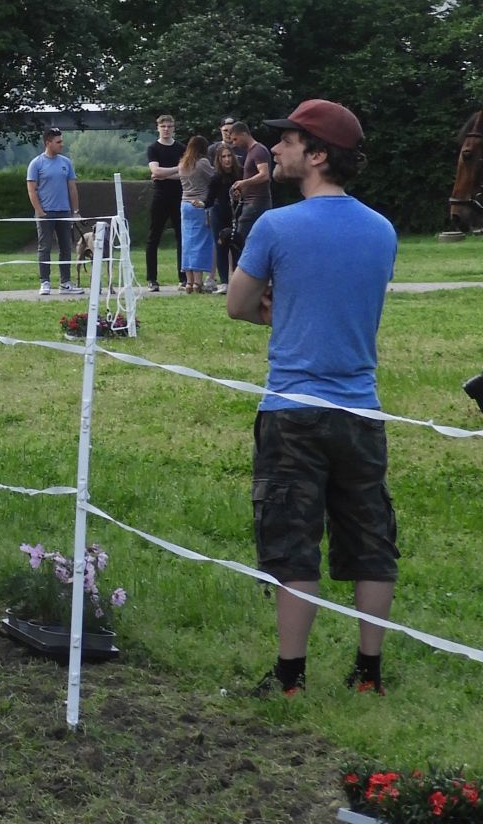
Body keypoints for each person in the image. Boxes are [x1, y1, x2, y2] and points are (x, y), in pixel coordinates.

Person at [227, 99, 397, 698]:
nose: (277, 148)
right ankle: (368, 673)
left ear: (318, 154)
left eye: (290, 140)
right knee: (370, 539)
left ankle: (290, 678)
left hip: (291, 410)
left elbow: (237, 304)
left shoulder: (274, 226)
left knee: (294, 542)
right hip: (360, 409)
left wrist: (278, 307)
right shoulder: (382, 229)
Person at [25, 128, 83, 296]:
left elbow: (72, 188)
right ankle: (45, 282)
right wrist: (40, 211)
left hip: (64, 212)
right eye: (58, 142)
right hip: (45, 213)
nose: (61, 145)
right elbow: (31, 190)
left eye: (61, 141)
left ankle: (65, 282)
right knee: (44, 247)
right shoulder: (36, 163)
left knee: (66, 247)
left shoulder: (66, 162)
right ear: (48, 143)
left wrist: (75, 211)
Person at [144, 114, 185, 292]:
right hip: (160, 196)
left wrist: (164, 173)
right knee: (154, 237)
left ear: (174, 128)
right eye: (163, 126)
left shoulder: (181, 148)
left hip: (179, 195)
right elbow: (155, 171)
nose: (166, 129)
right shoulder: (153, 148)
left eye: (169, 126)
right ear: (158, 128)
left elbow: (186, 173)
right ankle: (152, 279)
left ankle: (183, 278)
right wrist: (176, 169)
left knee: (182, 238)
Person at [227, 120, 272, 268]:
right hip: (249, 201)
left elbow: (264, 175)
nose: (234, 143)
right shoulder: (251, 152)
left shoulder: (258, 151)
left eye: (235, 139)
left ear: (244, 134)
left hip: (257, 202)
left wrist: (243, 183)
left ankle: (248, 271)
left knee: (241, 237)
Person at [175, 134, 215, 293]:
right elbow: (213, 178)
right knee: (201, 242)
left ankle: (189, 281)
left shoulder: (182, 164)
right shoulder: (203, 163)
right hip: (199, 204)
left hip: (184, 204)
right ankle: (198, 283)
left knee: (187, 243)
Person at [206, 143, 241, 294]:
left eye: (229, 156)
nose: (227, 160)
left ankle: (238, 281)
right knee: (221, 248)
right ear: (219, 160)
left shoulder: (240, 174)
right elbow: (209, 200)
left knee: (237, 247)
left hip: (236, 214)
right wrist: (201, 205)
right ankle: (224, 282)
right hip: (219, 214)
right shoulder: (215, 178)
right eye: (223, 157)